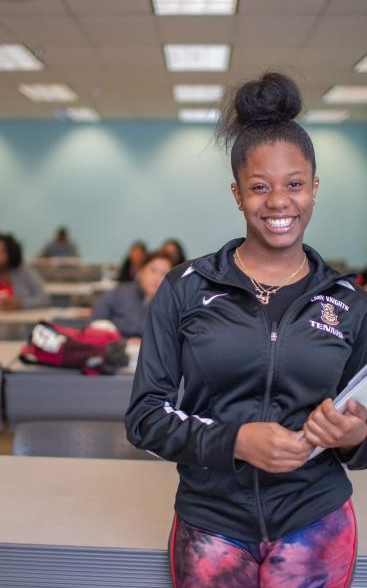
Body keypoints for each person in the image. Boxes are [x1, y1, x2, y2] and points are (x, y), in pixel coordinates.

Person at [125, 73, 367, 587]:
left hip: (315, 521)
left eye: (294, 184)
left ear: (315, 189)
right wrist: (235, 441)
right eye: (260, 187)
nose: (278, 202)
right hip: (211, 524)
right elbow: (145, 417)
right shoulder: (186, 287)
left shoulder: (349, 303)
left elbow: (364, 423)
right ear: (237, 194)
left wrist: (356, 437)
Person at [91, 250, 175, 338]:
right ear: (141, 270)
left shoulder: (171, 305)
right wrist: (122, 343)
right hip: (115, 348)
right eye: (153, 270)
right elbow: (95, 323)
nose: (157, 278)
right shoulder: (119, 293)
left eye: (164, 274)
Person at [0, 234, 49, 309]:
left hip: (20, 320)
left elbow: (44, 299)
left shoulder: (24, 272)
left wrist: (21, 303)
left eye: (2, 251)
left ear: (11, 253)